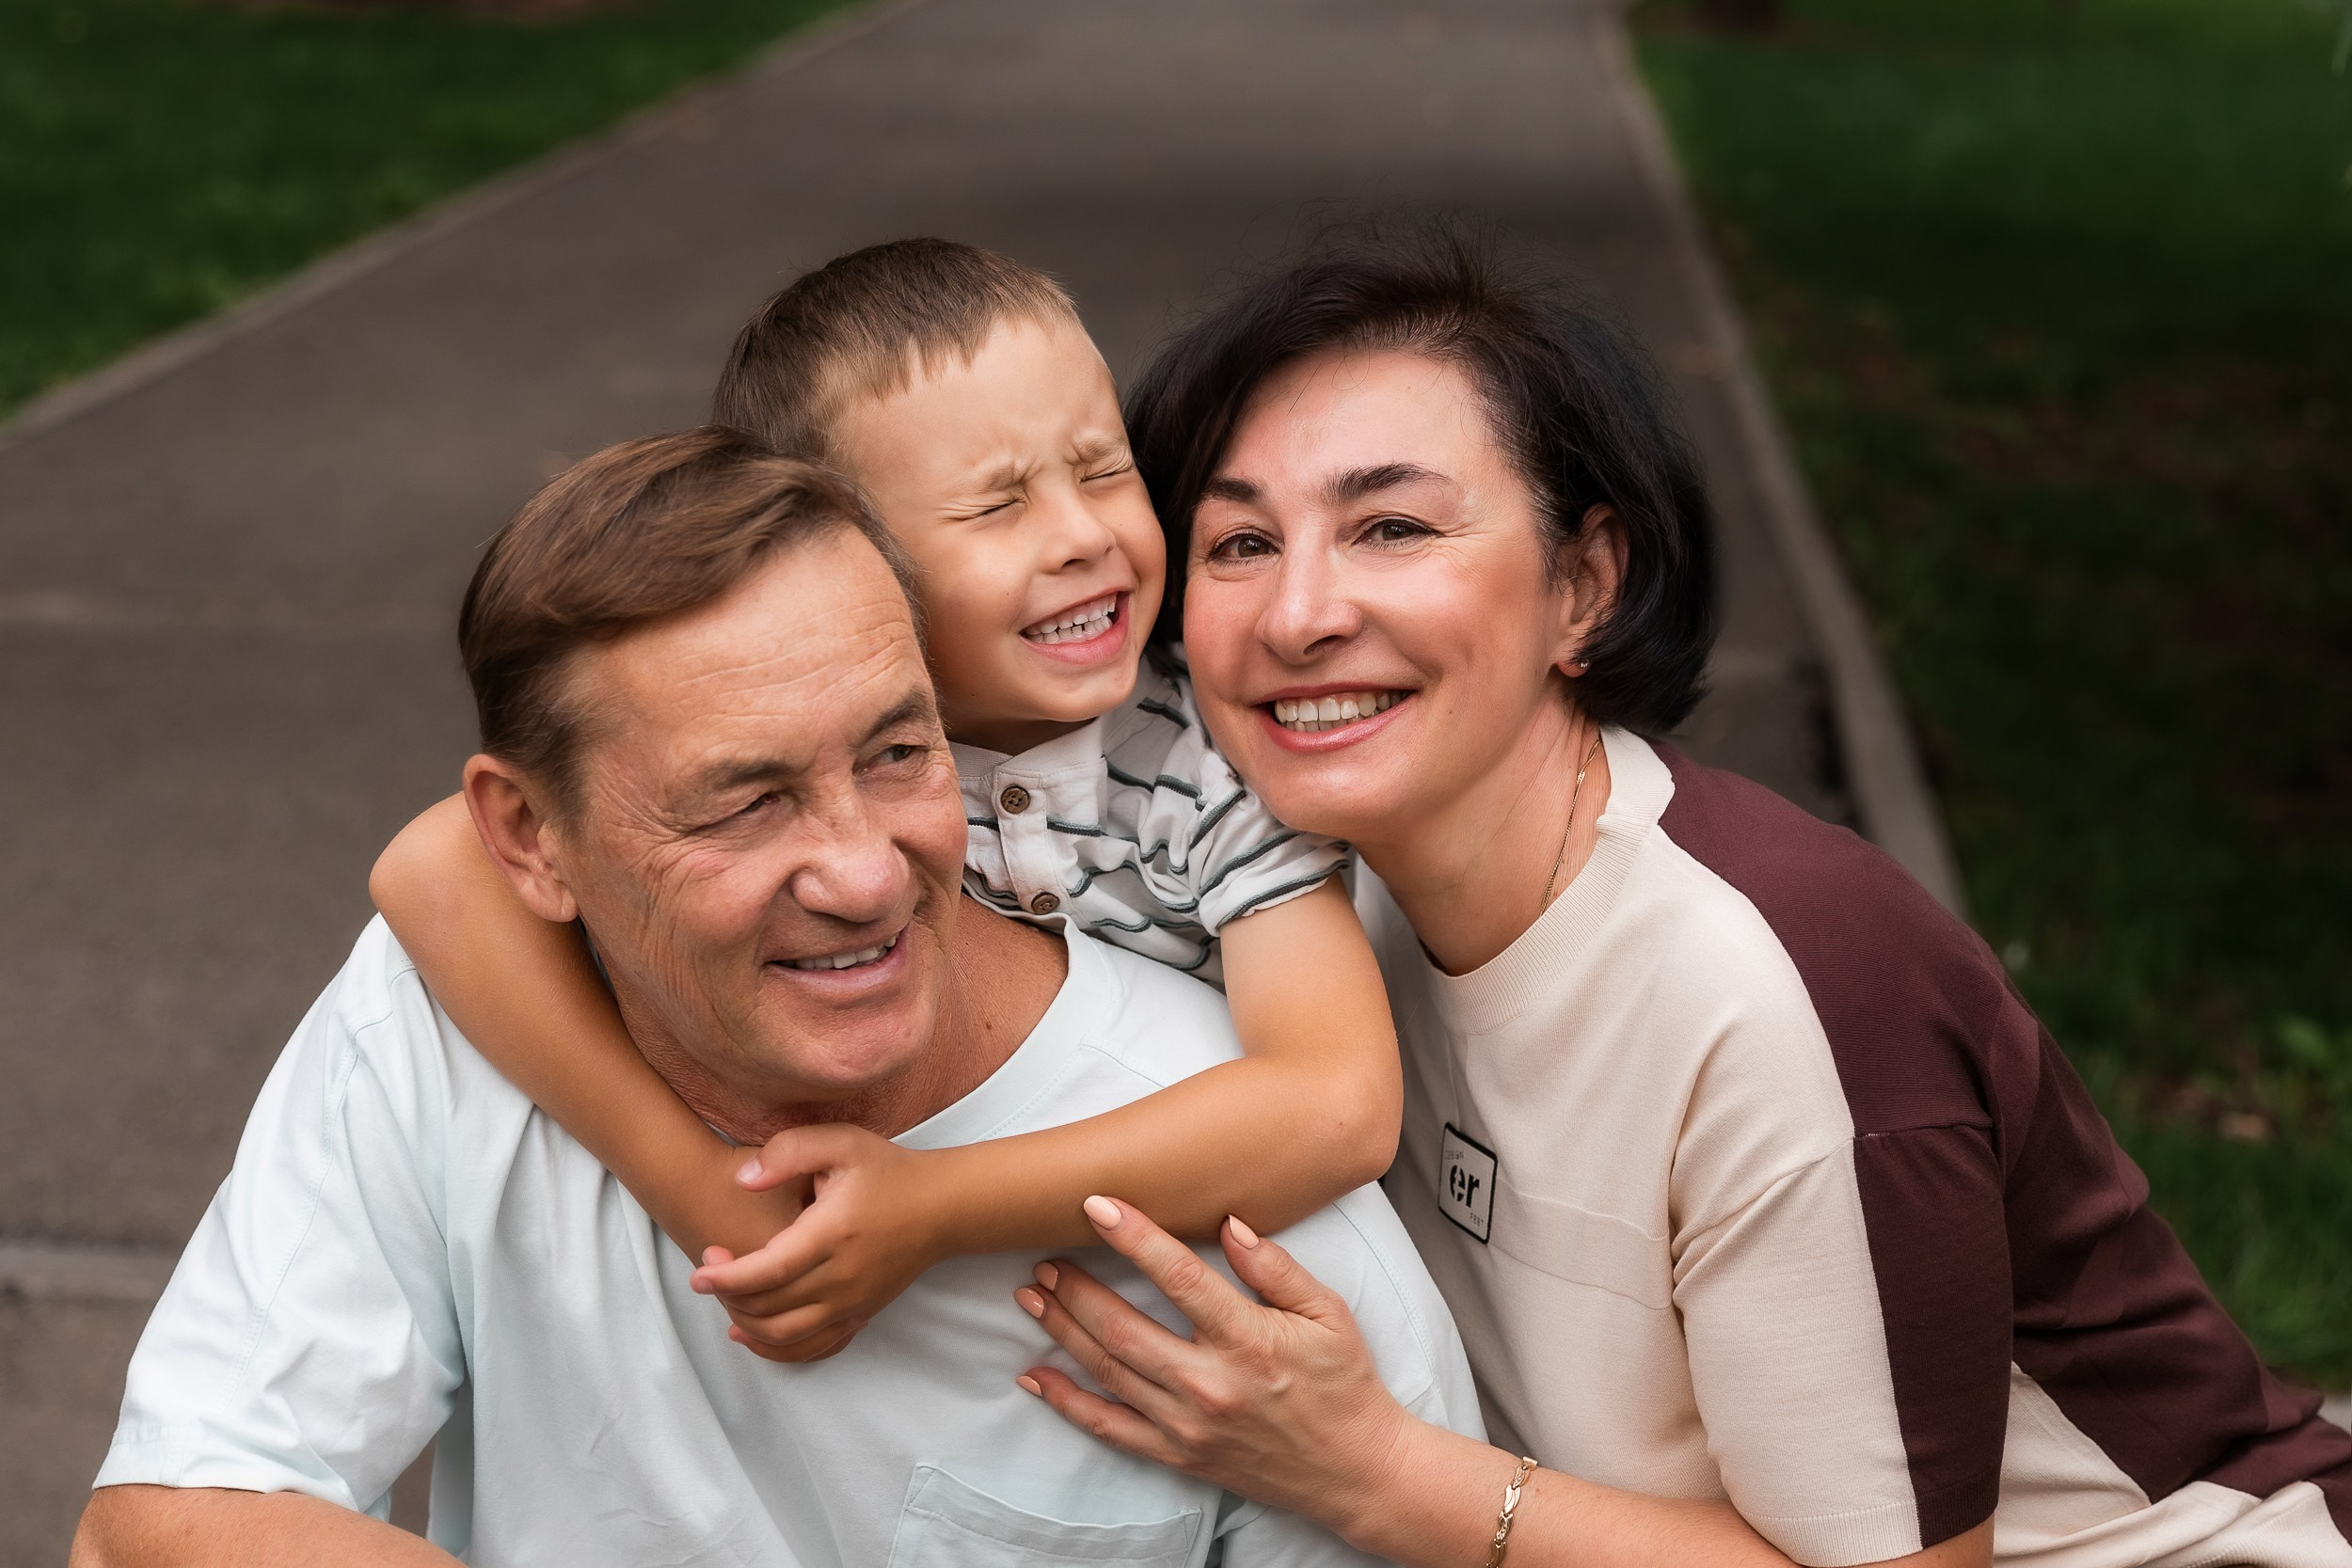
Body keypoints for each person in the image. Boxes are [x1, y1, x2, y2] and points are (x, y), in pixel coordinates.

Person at [1010, 233, 2352, 1568]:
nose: (1298, 612)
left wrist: (1374, 1471)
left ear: (1585, 583)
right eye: (1239, 541)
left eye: (1394, 526)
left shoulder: (1778, 986)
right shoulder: (1305, 922)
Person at [72, 432, 1483, 1565]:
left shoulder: (1262, 1243)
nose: (866, 874)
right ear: (528, 840)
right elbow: (162, 1520)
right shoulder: (442, 1014)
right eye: (744, 803)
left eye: (896, 753)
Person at [367, 240, 1402, 1362]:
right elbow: (434, 865)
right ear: (840, 565)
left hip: (1152, 1298)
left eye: (1104, 470)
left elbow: (1338, 1102)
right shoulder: (829, 759)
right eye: (997, 504)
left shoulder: (1211, 766)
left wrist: (932, 1204)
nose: (1082, 534)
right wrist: (697, 1185)